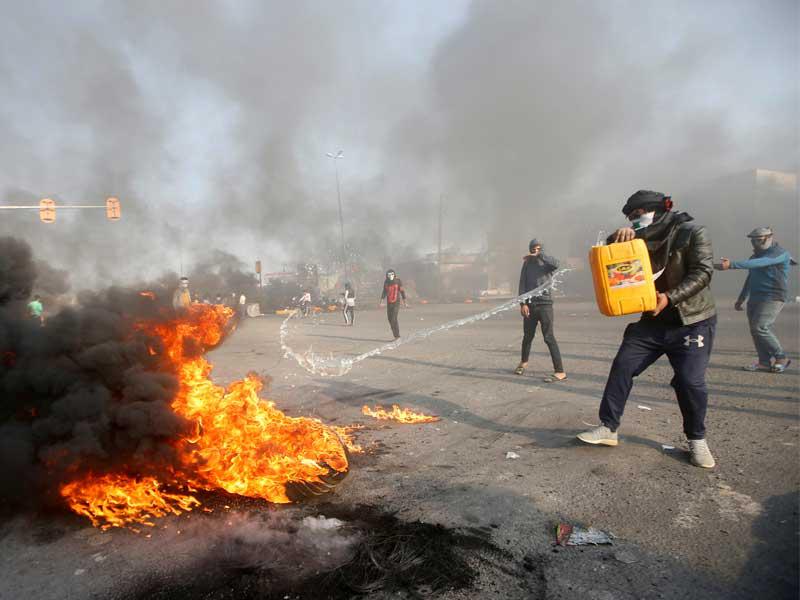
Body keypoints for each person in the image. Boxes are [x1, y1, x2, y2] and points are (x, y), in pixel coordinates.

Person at [577, 190, 718, 468]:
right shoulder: (638, 235)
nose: (635, 221)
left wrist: (670, 297)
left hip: (691, 321)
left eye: (637, 215)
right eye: (630, 218)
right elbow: (610, 257)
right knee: (622, 366)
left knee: (690, 381)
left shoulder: (691, 232)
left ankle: (697, 439)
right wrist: (615, 238)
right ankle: (608, 428)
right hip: (652, 323)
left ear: (657, 210)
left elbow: (703, 272)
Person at [717, 227, 795, 373]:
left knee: (760, 327)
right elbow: (751, 276)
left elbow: (760, 263)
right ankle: (764, 362)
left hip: (773, 296)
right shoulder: (755, 257)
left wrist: (731, 265)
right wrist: (741, 298)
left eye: (758, 240)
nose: (755, 243)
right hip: (755, 297)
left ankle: (781, 357)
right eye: (753, 240)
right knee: (756, 330)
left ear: (769, 238)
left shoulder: (779, 253)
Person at [515, 238, 566, 383]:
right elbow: (522, 283)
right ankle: (523, 363)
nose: (535, 251)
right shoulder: (527, 264)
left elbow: (557, 264)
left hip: (545, 305)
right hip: (530, 305)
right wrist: (523, 304)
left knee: (549, 337)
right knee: (527, 336)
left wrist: (540, 255)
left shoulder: (547, 262)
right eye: (533, 249)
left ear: (542, 249)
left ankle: (560, 371)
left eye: (538, 249)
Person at [379, 269, 407, 339]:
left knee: (393, 319)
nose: (390, 276)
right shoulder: (386, 282)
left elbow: (402, 291)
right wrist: (381, 301)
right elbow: (384, 291)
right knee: (389, 318)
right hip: (389, 302)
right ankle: (395, 334)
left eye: (392, 274)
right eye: (389, 275)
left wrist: (405, 302)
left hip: (396, 302)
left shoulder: (398, 281)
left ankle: (397, 335)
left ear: (394, 274)